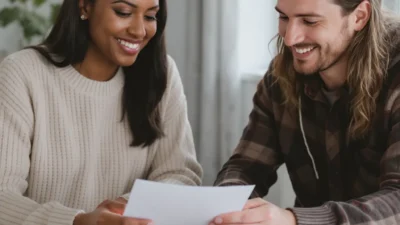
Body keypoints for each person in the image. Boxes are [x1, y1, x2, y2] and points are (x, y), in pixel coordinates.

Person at [0, 0, 202, 224]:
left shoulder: (161, 73)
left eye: (150, 16)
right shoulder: (21, 74)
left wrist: (127, 207)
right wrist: (78, 221)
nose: (139, 31)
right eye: (123, 12)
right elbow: (2, 195)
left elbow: (180, 175)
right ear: (85, 6)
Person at [212, 0, 400, 224]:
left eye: (309, 21)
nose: (290, 38)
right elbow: (244, 167)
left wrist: (293, 220)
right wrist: (229, 210)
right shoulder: (280, 77)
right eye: (283, 18)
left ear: (359, 16)